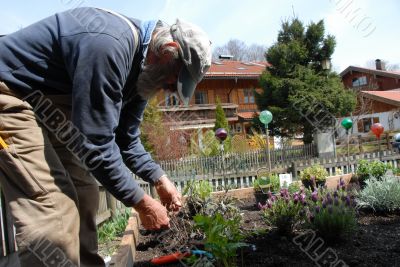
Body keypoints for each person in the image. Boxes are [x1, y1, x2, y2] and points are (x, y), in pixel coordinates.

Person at [0, 7, 212, 267]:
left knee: (86, 192)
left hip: (52, 108)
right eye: (173, 80)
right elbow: (96, 143)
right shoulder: (108, 45)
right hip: (10, 92)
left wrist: (159, 178)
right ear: (165, 50)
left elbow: (127, 139)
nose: (169, 89)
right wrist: (142, 203)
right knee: (52, 209)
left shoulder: (144, 76)